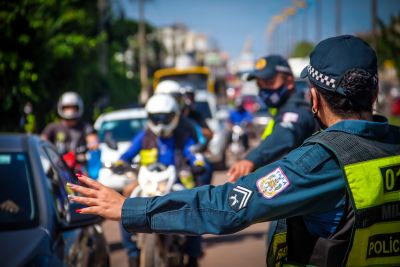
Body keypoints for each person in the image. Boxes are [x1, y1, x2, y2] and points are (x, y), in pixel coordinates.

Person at [68, 35, 400, 266]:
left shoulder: (319, 163)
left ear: (312, 97)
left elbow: (228, 206)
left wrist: (131, 209)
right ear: (374, 95)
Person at [115, 94, 206, 267]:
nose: (160, 123)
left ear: (175, 116)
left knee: (195, 209)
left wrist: (198, 162)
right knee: (124, 208)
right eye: (156, 118)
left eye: (165, 118)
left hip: (176, 181)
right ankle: (132, 253)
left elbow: (192, 153)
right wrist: (120, 163)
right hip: (147, 182)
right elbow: (127, 154)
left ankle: (193, 255)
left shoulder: (182, 136)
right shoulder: (144, 136)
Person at [227, 55, 317, 182]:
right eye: (259, 84)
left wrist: (251, 159)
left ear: (289, 82)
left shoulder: (297, 110)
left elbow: (284, 136)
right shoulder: (279, 110)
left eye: (269, 82)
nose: (263, 90)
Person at [41, 91, 95, 172]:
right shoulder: (53, 127)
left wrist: (88, 150)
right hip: (58, 167)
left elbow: (94, 143)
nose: (70, 110)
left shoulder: (86, 127)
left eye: (73, 107)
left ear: (78, 108)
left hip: (79, 168)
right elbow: (41, 142)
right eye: (67, 107)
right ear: (61, 108)